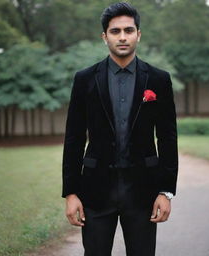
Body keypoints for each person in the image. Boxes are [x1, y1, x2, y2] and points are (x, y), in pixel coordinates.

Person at [62, 2, 178, 255]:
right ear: (105, 37)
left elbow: (167, 137)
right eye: (115, 31)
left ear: (139, 34)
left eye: (129, 30)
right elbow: (74, 137)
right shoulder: (85, 79)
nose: (123, 37)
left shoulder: (159, 79)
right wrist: (71, 193)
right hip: (95, 191)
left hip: (143, 191)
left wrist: (165, 191)